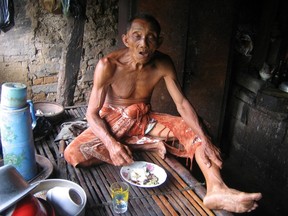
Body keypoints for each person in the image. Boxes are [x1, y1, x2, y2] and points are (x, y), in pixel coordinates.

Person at [64, 13, 262, 213]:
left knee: (196, 132)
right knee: (73, 154)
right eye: (137, 36)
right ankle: (142, 143)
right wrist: (111, 143)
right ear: (126, 39)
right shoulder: (108, 65)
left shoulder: (163, 63)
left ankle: (216, 189)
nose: (144, 43)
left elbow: (182, 104)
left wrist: (205, 139)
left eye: (151, 37)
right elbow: (91, 113)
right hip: (113, 119)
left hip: (144, 119)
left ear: (159, 41)